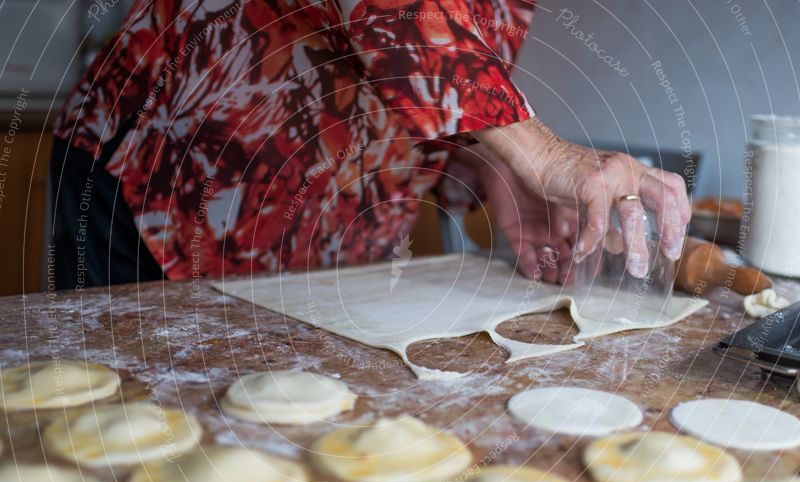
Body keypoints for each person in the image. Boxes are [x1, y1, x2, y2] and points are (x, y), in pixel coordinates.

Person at [51, 0, 689, 290]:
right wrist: (545, 155)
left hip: (327, 236)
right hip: (168, 180)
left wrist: (491, 162)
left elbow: (400, 82)